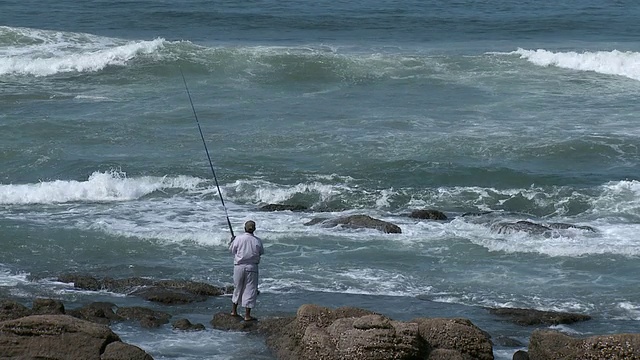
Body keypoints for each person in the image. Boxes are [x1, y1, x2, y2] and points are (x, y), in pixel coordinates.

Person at [229, 220, 264, 321]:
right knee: (250, 290)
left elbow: (232, 250)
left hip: (239, 266)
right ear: (254, 229)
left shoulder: (238, 238)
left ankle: (234, 311)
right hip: (252, 267)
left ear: (245, 228)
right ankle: (247, 315)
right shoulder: (257, 240)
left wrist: (232, 241)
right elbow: (261, 252)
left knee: (237, 288)